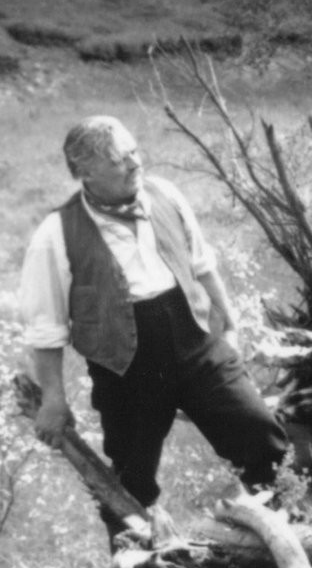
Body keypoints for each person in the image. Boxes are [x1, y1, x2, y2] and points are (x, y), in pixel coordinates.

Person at [17, 116, 287, 542]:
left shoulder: (165, 194)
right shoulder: (56, 234)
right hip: (127, 370)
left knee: (260, 438)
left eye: (134, 152)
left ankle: (281, 541)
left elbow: (202, 265)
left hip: (198, 346)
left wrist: (229, 325)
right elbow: (45, 328)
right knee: (130, 483)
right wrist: (53, 398)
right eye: (119, 159)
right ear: (86, 171)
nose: (134, 163)